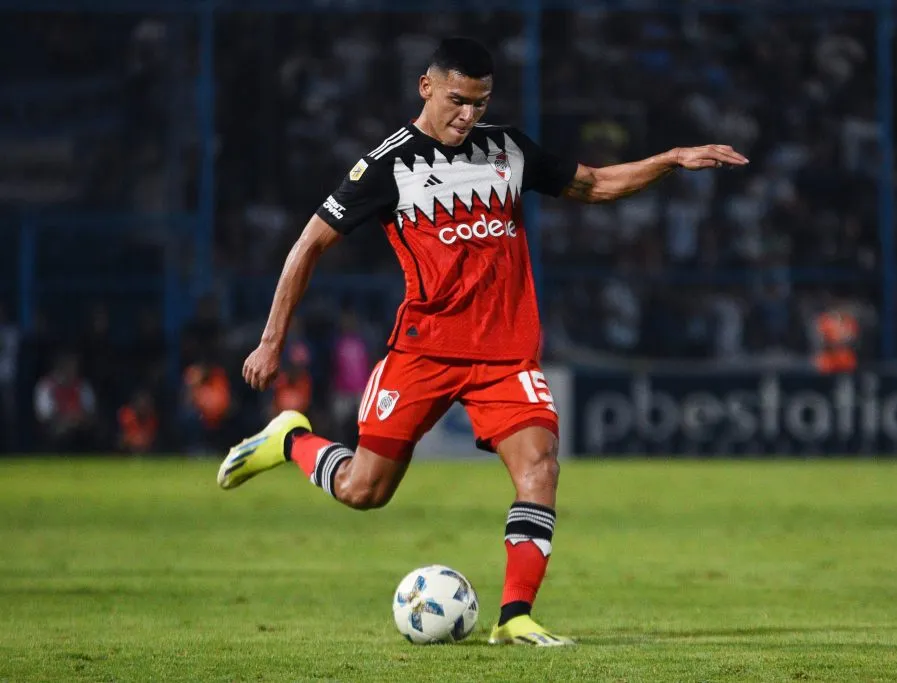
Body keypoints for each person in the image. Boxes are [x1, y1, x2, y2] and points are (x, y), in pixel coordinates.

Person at [217, 36, 747, 646]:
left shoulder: (509, 148)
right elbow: (309, 244)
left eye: (480, 101)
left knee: (541, 466)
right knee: (364, 491)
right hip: (423, 351)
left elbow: (594, 184)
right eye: (457, 99)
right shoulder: (388, 165)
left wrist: (671, 158)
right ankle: (291, 440)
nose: (468, 114)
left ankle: (515, 616)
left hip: (504, 355)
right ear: (426, 87)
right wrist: (270, 340)